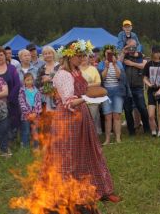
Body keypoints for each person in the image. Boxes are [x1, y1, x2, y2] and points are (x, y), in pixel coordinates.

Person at [48, 40, 118, 202]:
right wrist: (87, 98)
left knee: (90, 152)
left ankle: (98, 189)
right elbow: (68, 102)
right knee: (69, 156)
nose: (81, 59)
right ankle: (68, 195)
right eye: (78, 56)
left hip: (82, 117)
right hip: (68, 120)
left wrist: (94, 94)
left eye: (83, 55)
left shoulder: (76, 71)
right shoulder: (63, 75)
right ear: (69, 56)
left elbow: (84, 90)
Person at [98, 45, 126, 144]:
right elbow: (102, 78)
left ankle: (118, 138)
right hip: (106, 92)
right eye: (107, 53)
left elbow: (120, 77)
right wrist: (106, 67)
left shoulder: (118, 63)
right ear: (104, 54)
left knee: (117, 115)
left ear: (113, 54)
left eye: (110, 53)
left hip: (117, 91)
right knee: (107, 116)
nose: (108, 54)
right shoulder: (101, 64)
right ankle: (107, 139)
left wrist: (114, 65)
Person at [0, 46, 22, 138]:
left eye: (1, 55)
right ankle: (0, 142)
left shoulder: (12, 68)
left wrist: (9, 98)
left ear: (5, 56)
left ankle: (12, 142)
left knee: (12, 122)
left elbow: (17, 84)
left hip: (11, 101)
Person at [144, 45, 160, 137]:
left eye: (159, 52)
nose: (157, 54)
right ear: (152, 52)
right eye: (155, 52)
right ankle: (153, 130)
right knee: (151, 115)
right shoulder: (148, 64)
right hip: (151, 91)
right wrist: (149, 84)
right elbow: (144, 77)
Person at [79, 53, 103, 135]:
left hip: (92, 98)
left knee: (93, 119)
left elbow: (98, 83)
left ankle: (93, 138)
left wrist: (87, 85)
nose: (83, 58)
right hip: (79, 100)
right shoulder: (75, 69)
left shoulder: (93, 69)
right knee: (81, 121)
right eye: (81, 56)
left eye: (84, 56)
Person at [18, 73, 42, 148]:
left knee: (35, 131)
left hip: (35, 115)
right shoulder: (22, 91)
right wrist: (28, 113)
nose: (29, 81)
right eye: (27, 80)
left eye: (31, 80)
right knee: (26, 131)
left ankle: (36, 147)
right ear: (24, 81)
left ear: (33, 80)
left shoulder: (36, 91)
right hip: (26, 116)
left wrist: (35, 112)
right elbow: (22, 102)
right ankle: (25, 147)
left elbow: (38, 102)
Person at [36, 46, 59, 110]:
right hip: (45, 99)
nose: (48, 55)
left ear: (53, 54)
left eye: (49, 53)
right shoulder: (41, 68)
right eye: (45, 54)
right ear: (43, 56)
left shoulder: (59, 66)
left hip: (58, 97)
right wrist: (43, 81)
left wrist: (51, 79)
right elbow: (36, 84)